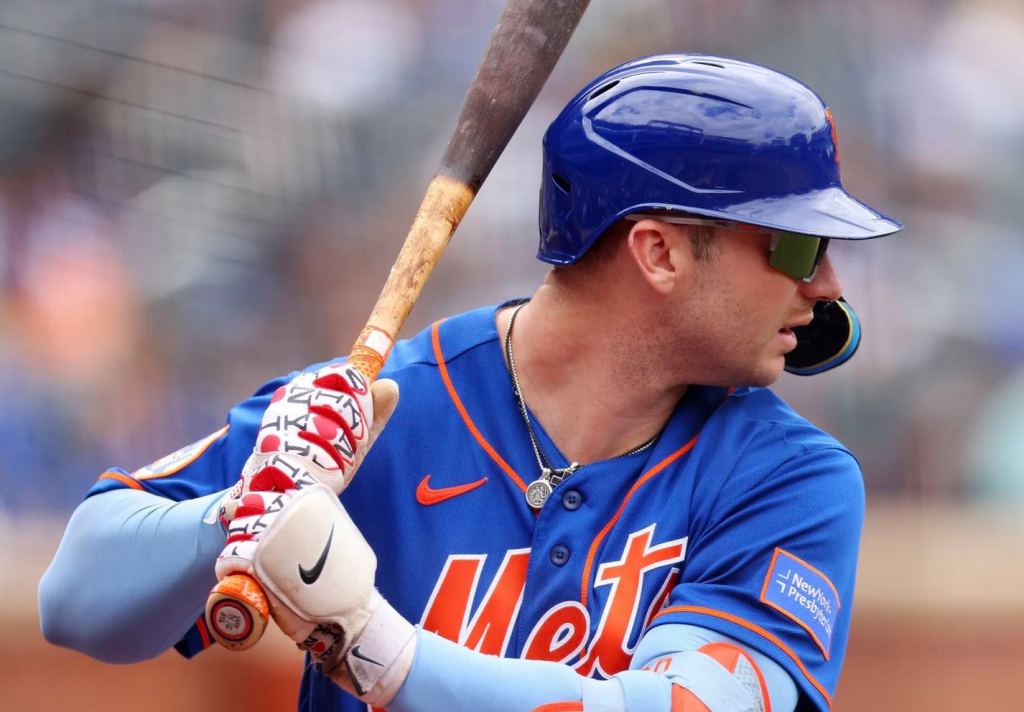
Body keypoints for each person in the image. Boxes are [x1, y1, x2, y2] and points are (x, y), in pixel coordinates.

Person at [39, 54, 901, 712]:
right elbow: (76, 601)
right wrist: (250, 507)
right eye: (797, 247)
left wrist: (374, 646)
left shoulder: (788, 477)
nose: (828, 285)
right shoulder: (382, 410)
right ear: (660, 253)